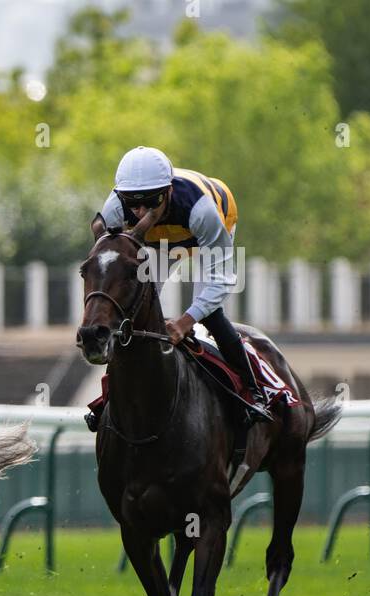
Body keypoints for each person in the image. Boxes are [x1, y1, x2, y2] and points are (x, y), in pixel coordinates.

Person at [99, 146, 271, 422]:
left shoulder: (201, 210)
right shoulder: (114, 209)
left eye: (149, 201)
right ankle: (111, 395)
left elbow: (222, 280)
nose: (140, 211)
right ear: (121, 197)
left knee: (210, 315)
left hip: (212, 224)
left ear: (167, 192)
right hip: (160, 239)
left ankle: (254, 393)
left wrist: (183, 324)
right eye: (132, 202)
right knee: (132, 309)